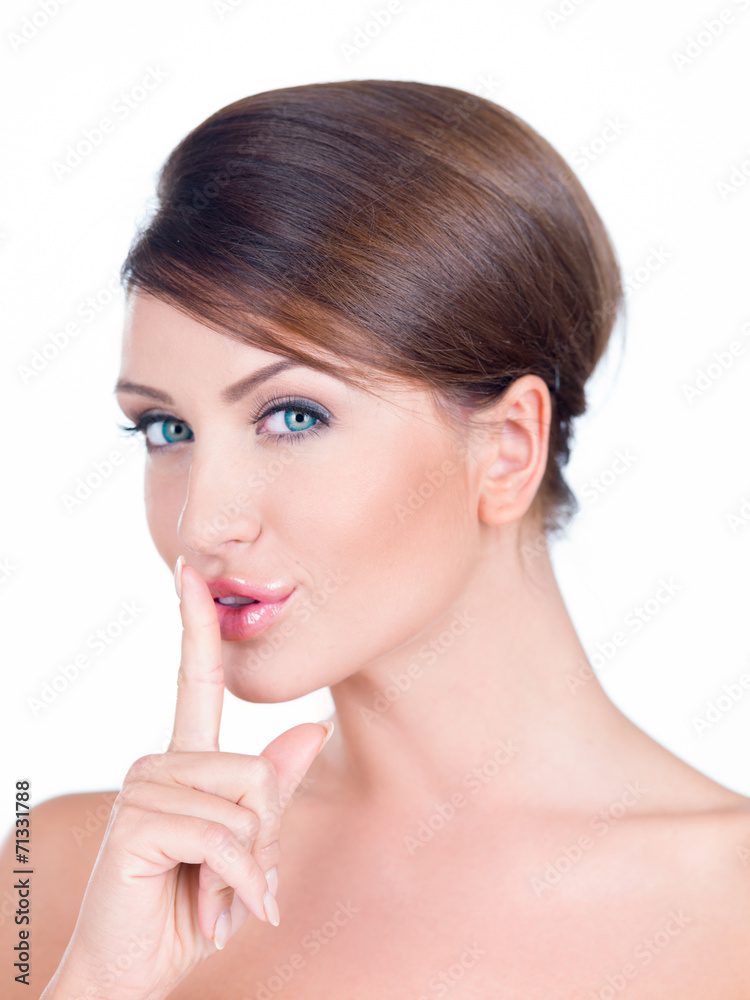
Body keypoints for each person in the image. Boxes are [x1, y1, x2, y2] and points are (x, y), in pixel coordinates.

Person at [5, 78, 749, 999]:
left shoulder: (732, 912)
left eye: (293, 415)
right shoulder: (72, 877)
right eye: (167, 429)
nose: (202, 523)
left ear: (508, 448)